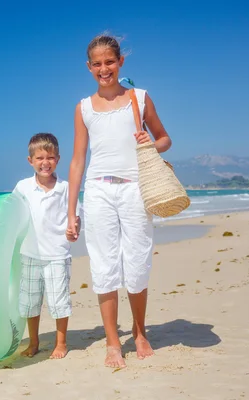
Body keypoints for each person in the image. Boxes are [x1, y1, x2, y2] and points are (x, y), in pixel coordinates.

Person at [66, 34, 172, 368]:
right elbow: (78, 160)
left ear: (120, 62)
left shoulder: (139, 98)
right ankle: (113, 342)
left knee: (137, 263)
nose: (104, 69)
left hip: (136, 189)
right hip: (98, 191)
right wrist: (72, 211)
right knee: (104, 265)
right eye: (97, 64)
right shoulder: (83, 108)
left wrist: (150, 143)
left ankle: (139, 332)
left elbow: (165, 138)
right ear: (88, 67)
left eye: (109, 62)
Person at [13, 133, 81, 359]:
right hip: (29, 254)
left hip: (56, 254)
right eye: (40, 158)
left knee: (59, 301)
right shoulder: (22, 187)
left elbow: (75, 218)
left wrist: (73, 230)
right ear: (30, 160)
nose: (45, 162)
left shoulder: (65, 188)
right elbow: (11, 215)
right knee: (30, 303)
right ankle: (34, 342)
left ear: (58, 159)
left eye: (50, 157)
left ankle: (61, 343)